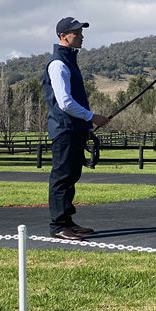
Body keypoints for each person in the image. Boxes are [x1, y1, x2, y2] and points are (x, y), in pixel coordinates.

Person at [41, 17, 110, 240]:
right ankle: (58, 226)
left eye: (80, 32)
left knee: (71, 176)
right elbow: (65, 102)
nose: (81, 36)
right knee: (62, 178)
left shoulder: (69, 61)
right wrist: (92, 117)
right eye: (76, 33)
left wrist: (85, 127)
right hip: (64, 129)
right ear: (63, 36)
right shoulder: (58, 63)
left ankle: (67, 221)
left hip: (74, 129)